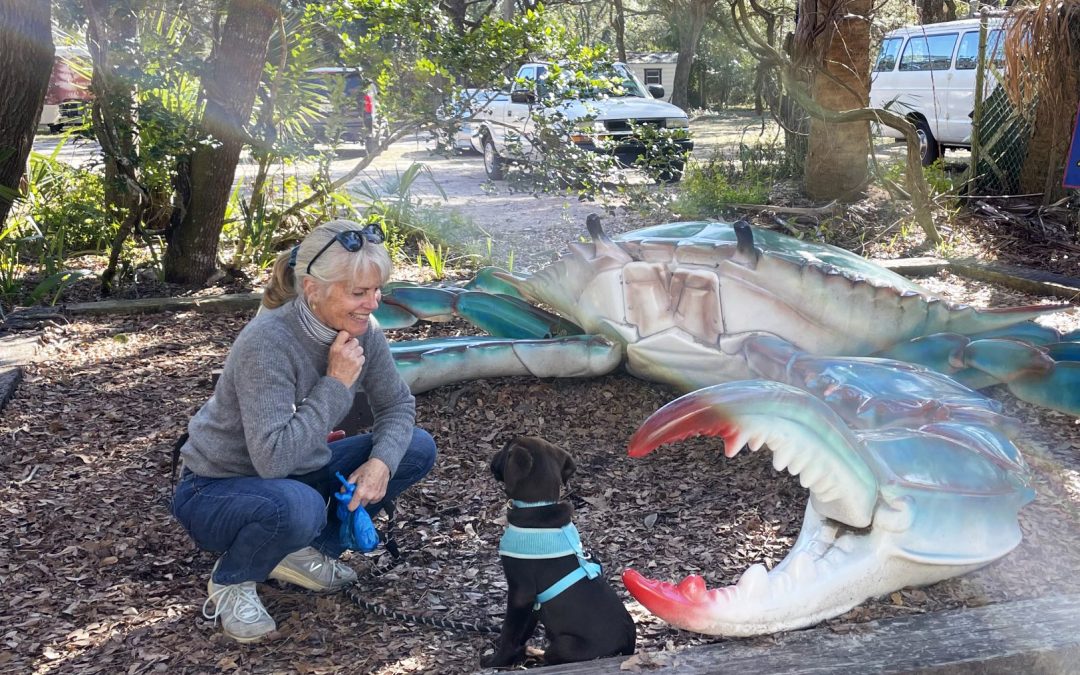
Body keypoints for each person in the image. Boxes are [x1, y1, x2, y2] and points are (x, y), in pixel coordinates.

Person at [171, 219, 436, 643]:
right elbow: (273, 459)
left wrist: (381, 463)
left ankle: (305, 552)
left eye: (375, 290)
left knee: (415, 448)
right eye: (358, 292)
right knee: (297, 506)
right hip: (216, 488)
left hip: (292, 473)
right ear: (313, 289)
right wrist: (336, 383)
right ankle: (232, 581)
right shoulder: (268, 343)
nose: (372, 304)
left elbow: (398, 405)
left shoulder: (364, 332)